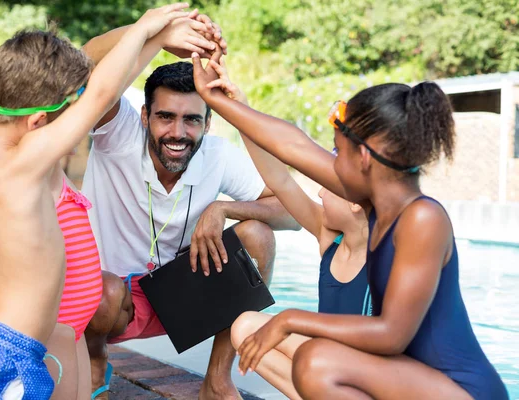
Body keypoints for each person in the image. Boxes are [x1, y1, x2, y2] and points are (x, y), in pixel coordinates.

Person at [192, 53, 508, 399]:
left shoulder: (422, 218)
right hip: (408, 381)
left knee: (318, 361)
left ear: (365, 158)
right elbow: (292, 146)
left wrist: (289, 319)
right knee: (316, 359)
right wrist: (215, 100)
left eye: (338, 153)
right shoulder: (379, 205)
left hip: (461, 390)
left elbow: (392, 335)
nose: (331, 166)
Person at [0, 4, 194, 398]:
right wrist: (149, 29)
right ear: (40, 122)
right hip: (10, 353)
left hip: (40, 337)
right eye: (71, 109)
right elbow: (103, 92)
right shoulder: (22, 165)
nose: (81, 115)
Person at [80, 38, 299, 400]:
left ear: (208, 123)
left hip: (179, 296)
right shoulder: (118, 133)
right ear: (145, 115)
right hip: (109, 301)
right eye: (165, 116)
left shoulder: (217, 155)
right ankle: (94, 362)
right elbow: (82, 65)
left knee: (257, 235)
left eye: (191, 120)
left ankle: (215, 380)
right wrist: (155, 31)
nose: (178, 133)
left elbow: (292, 213)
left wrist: (224, 209)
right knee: (104, 290)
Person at [199, 57, 371, 399]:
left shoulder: (388, 249)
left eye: (329, 187)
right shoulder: (330, 238)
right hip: (329, 369)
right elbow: (278, 177)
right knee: (246, 327)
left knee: (318, 355)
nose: (320, 191)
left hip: (369, 378)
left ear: (356, 200)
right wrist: (238, 108)